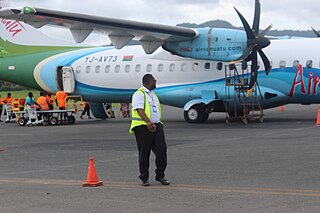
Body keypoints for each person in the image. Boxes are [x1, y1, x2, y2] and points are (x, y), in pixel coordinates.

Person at [129, 74, 169, 186]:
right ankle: (144, 177)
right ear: (148, 81)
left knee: (162, 150)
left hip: (157, 126)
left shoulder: (153, 95)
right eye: (154, 81)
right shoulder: (139, 94)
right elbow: (139, 109)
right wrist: (148, 122)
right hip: (143, 127)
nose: (155, 83)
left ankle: (160, 175)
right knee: (144, 153)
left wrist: (155, 122)